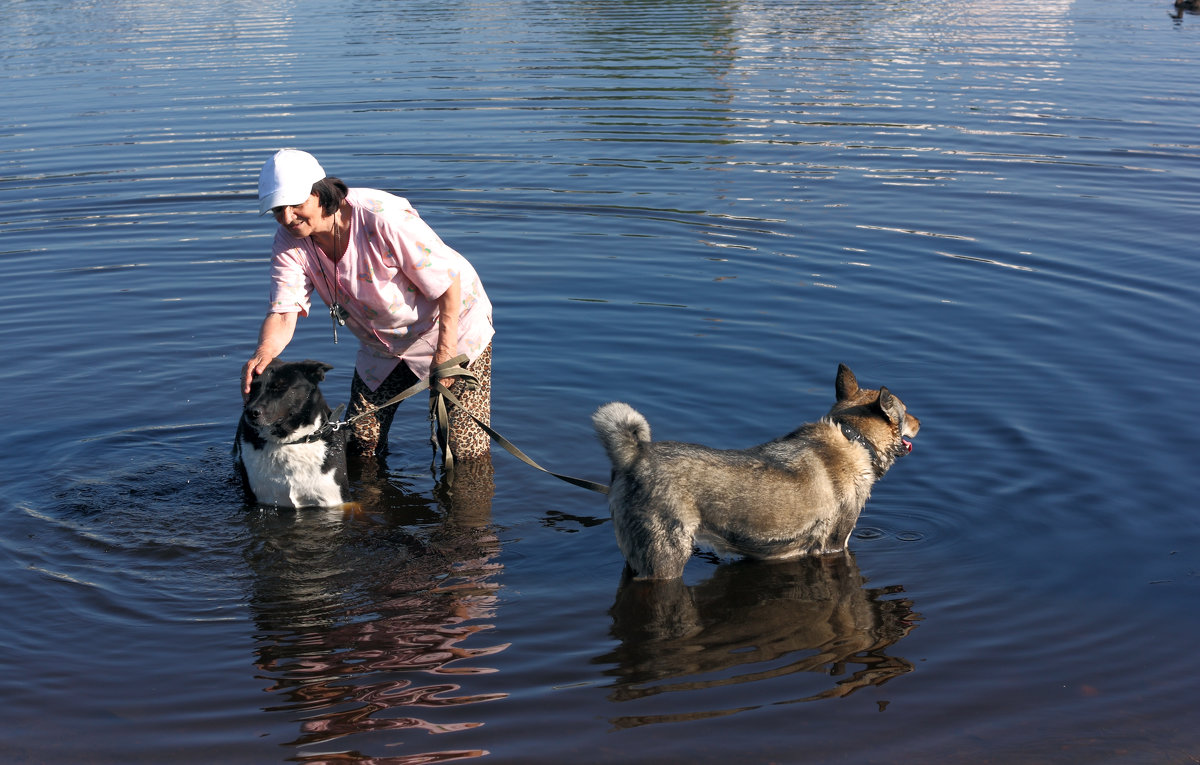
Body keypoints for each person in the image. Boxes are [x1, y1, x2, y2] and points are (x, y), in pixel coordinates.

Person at [242, 149, 494, 462]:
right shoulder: (289, 241)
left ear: (321, 193)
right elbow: (283, 311)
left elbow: (448, 282)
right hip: (383, 344)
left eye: (296, 204)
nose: (287, 217)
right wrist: (264, 353)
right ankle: (366, 507)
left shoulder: (381, 217)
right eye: (278, 209)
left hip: (451, 326)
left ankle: (467, 509)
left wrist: (445, 353)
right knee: (361, 443)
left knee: (463, 453)